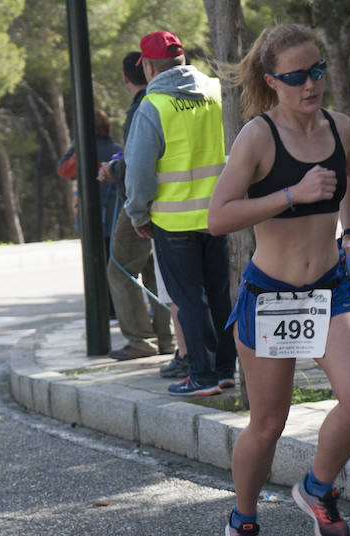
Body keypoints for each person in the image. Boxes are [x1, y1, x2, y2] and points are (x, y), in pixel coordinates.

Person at [207, 24, 350, 536]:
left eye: (318, 70)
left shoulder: (340, 127)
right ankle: (244, 522)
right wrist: (291, 194)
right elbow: (218, 217)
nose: (311, 84)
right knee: (268, 423)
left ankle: (317, 487)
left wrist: (349, 233)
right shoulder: (257, 137)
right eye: (297, 76)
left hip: (329, 289)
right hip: (272, 296)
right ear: (272, 80)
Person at [124, 29, 236, 396]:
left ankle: (202, 377)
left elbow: (139, 172)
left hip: (173, 222)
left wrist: (137, 214)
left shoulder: (152, 107)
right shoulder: (217, 92)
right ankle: (224, 370)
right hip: (219, 215)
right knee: (219, 296)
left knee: (190, 300)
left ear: (148, 67)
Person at [97, 52, 175, 361]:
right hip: (168, 199)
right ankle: (167, 339)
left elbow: (136, 164)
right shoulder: (164, 101)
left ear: (127, 78)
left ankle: (141, 340)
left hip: (139, 202)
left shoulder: (141, 107)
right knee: (155, 272)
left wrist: (111, 171)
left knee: (118, 270)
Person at [58, 109, 122, 317]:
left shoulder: (83, 150)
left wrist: (77, 145)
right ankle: (116, 308)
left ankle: (102, 308)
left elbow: (63, 170)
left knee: (96, 264)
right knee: (115, 265)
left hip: (92, 218)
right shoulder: (116, 149)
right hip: (115, 216)